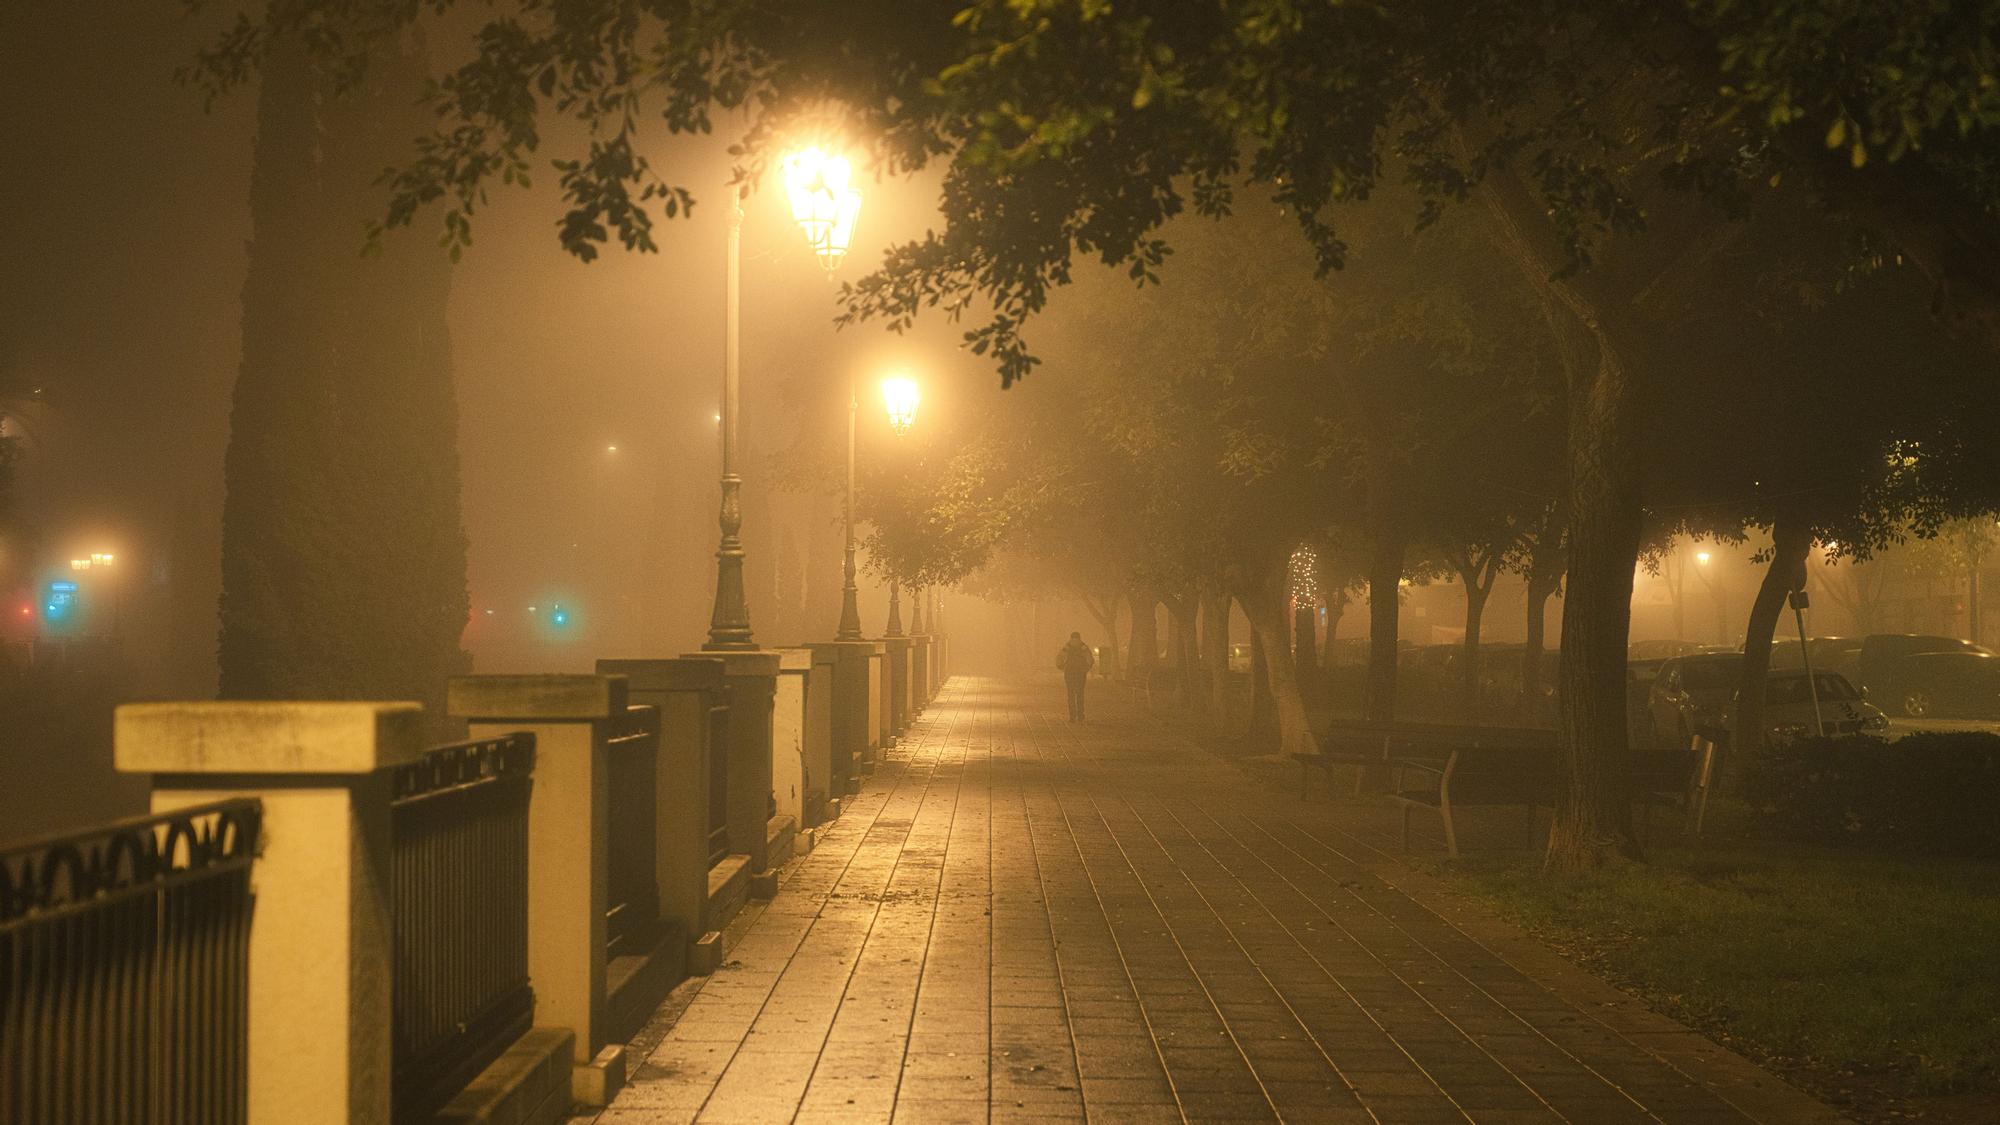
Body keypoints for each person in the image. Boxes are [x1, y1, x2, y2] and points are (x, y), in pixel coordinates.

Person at [1057, 631, 1095, 722]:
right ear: (1079, 637)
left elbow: (1060, 657)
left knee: (1070, 694)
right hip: (1080, 673)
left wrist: (1061, 667)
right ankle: (1080, 715)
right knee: (1080, 693)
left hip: (1069, 672)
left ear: (1071, 637)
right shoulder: (1083, 646)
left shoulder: (1067, 646)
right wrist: (1087, 668)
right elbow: (1090, 659)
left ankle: (1072, 716)